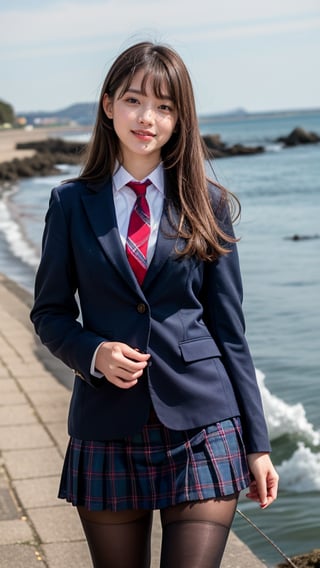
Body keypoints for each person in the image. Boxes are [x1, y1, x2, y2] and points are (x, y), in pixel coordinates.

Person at [30, 41, 279, 568]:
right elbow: (49, 314)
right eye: (134, 100)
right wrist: (93, 353)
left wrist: (257, 444)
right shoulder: (70, 204)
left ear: (180, 118)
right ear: (108, 105)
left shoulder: (206, 203)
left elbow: (230, 331)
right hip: (106, 424)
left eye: (165, 107)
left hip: (203, 423)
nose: (148, 118)